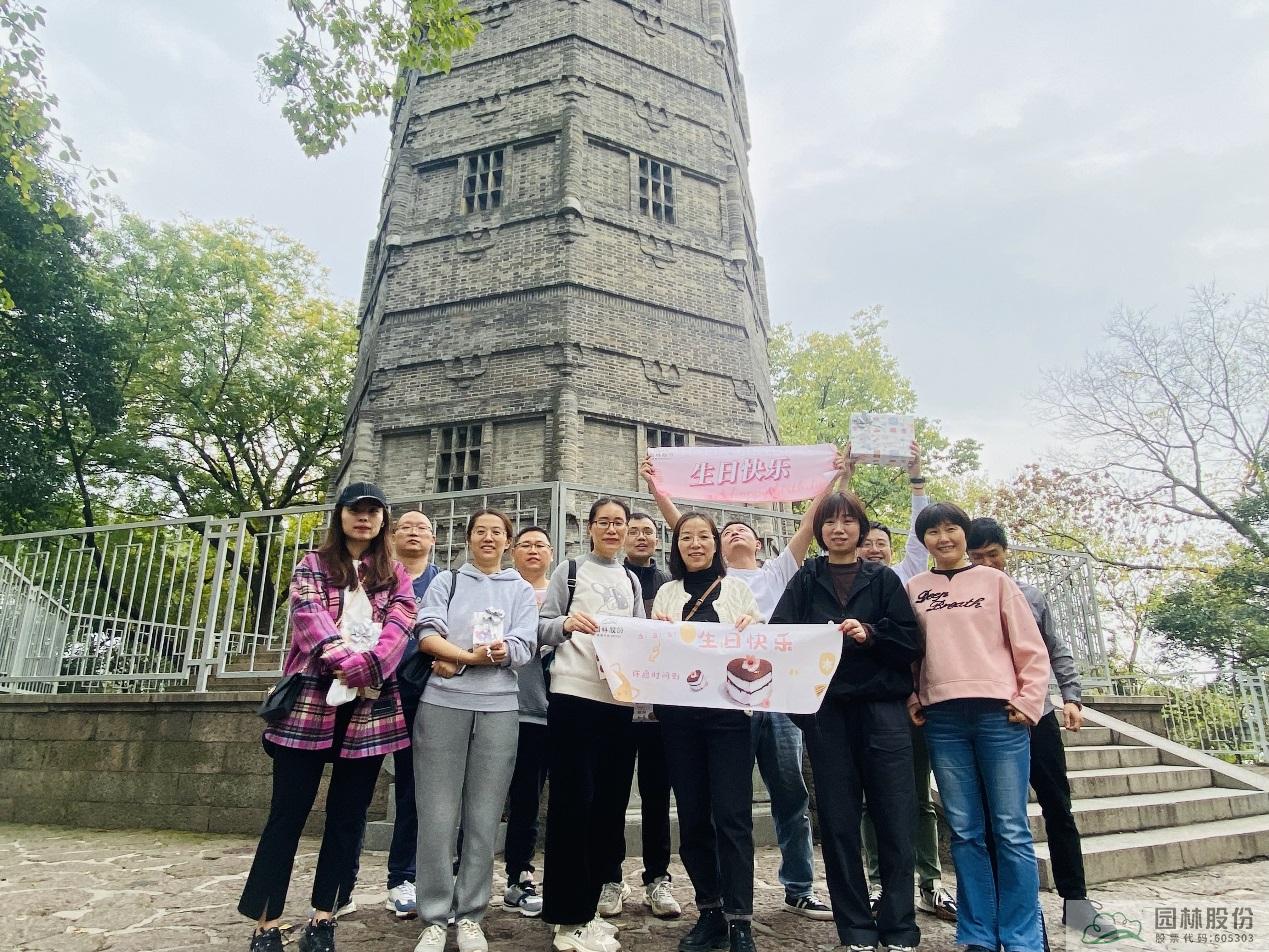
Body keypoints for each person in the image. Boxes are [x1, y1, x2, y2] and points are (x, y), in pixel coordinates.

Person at [641, 457, 834, 921]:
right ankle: (712, 906)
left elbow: (809, 524)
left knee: (786, 792)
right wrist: (656, 486)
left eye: (736, 530)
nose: (728, 534)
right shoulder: (672, 590)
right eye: (719, 532)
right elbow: (685, 528)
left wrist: (834, 478)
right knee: (707, 807)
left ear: (757, 542)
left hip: (765, 696)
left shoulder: (768, 578)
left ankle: (796, 887)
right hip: (699, 709)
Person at [238, 482, 415, 952]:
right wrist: (348, 661)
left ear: (383, 519)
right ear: (340, 515)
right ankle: (267, 922)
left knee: (348, 816)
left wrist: (367, 667)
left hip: (369, 706)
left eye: (374, 511)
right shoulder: (312, 565)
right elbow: (309, 617)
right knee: (287, 814)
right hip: (310, 700)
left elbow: (401, 626)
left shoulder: (395, 573)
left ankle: (324, 917)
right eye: (356, 510)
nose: (364, 518)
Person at [769, 491, 923, 952]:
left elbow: (909, 641)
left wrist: (869, 633)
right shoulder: (805, 579)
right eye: (830, 522)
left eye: (848, 521)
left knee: (895, 816)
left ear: (861, 528)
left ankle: (899, 926)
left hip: (883, 711)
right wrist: (803, 712)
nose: (839, 529)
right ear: (819, 530)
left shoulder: (884, 579)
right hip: (827, 713)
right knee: (837, 822)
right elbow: (780, 638)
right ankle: (854, 927)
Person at [907, 502, 1051, 952]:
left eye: (951, 528)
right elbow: (909, 653)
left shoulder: (995, 582)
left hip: (999, 716)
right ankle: (978, 935)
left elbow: (1030, 647)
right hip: (943, 719)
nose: (943, 538)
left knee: (1011, 829)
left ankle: (1022, 937)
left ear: (964, 534)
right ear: (924, 541)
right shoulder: (914, 588)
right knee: (966, 832)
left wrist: (1029, 701)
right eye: (933, 531)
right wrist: (913, 696)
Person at [411, 508, 539, 952]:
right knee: (437, 815)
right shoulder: (447, 582)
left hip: (499, 707)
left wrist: (494, 654)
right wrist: (470, 658)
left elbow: (524, 644)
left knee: (484, 816)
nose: (488, 538)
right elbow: (427, 634)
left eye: (497, 532)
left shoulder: (520, 589)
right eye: (480, 531)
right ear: (467, 538)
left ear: (507, 541)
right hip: (442, 704)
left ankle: (470, 915)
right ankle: (433, 916)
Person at [966, 517, 1095, 932]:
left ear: (1006, 553)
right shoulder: (961, 601)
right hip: (990, 718)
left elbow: (1055, 649)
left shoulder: (1030, 596)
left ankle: (1076, 899)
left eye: (993, 555)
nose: (987, 563)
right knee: (994, 815)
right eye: (977, 557)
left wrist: (1071, 696)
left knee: (1057, 804)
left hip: (1037, 714)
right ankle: (1005, 904)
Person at [651, 512, 763, 952]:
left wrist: (753, 629)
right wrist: (657, 634)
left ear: (715, 544)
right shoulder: (667, 592)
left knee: (733, 817)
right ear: (676, 546)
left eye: (703, 537)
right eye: (686, 537)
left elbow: (761, 649)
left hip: (729, 716)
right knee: (693, 815)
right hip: (679, 718)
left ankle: (740, 920)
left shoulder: (737, 591)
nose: (695, 544)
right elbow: (654, 653)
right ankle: (710, 911)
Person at [539, 498, 645, 952]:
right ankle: (567, 918)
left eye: (619, 523)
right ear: (590, 527)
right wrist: (565, 623)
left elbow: (641, 639)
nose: (612, 529)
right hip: (573, 696)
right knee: (571, 804)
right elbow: (540, 627)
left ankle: (588, 908)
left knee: (607, 807)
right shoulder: (569, 571)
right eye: (604, 522)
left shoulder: (632, 579)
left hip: (618, 703)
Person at [856, 448, 956, 922]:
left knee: (919, 796)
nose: (873, 549)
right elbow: (836, 520)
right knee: (870, 799)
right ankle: (877, 883)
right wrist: (845, 479)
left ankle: (930, 882)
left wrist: (917, 480)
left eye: (881, 543)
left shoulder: (906, 578)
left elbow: (922, 534)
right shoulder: (845, 584)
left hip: (910, 699)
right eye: (867, 543)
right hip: (865, 702)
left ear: (894, 550)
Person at [595, 511, 682, 921]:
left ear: (658, 539)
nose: (641, 537)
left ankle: (658, 878)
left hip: (659, 705)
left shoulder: (670, 585)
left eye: (649, 531)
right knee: (611, 792)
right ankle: (609, 877)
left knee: (656, 795)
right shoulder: (611, 579)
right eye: (634, 531)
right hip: (616, 701)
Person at [373, 508, 440, 920]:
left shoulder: (443, 582)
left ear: (434, 538)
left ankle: (403, 876)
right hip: (370, 690)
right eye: (406, 527)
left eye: (423, 528)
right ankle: (340, 883)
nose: (414, 533)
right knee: (355, 785)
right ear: (392, 535)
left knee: (413, 788)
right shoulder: (374, 578)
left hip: (421, 693)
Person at [502, 525, 555, 917]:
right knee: (483, 798)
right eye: (525, 545)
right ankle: (463, 876)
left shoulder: (562, 594)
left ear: (551, 553)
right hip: (501, 705)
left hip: (548, 711)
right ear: (513, 551)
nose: (533, 551)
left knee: (529, 799)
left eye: (540, 545)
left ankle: (520, 875)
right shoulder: (499, 589)